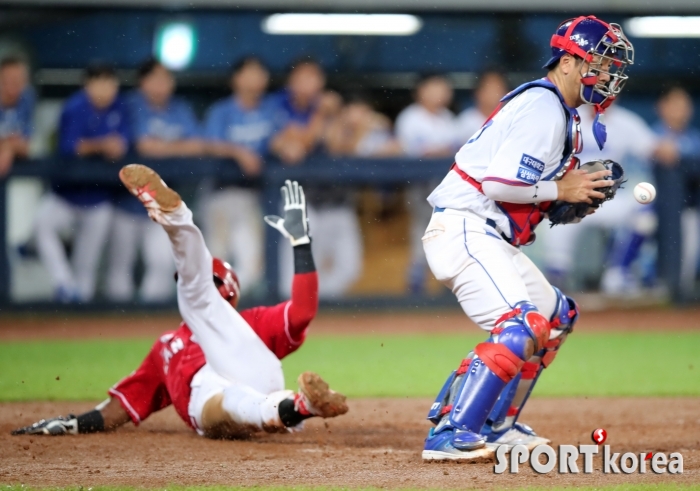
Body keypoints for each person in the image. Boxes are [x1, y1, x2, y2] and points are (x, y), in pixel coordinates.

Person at [420, 16, 633, 461]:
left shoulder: (558, 109)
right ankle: (451, 432)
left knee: (557, 316)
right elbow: (498, 184)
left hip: (486, 233)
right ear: (570, 62)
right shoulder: (545, 107)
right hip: (464, 227)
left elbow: (522, 191)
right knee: (521, 326)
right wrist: (561, 189)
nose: (609, 75)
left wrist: (560, 200)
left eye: (611, 67)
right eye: (601, 63)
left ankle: (497, 425)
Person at [12, 166, 348, 438]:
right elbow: (123, 406)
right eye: (204, 283)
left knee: (224, 383)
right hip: (251, 394)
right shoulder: (166, 347)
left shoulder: (248, 322)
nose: (206, 288)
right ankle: (301, 407)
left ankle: (177, 220)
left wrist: (301, 243)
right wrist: (72, 423)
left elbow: (302, 311)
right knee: (235, 400)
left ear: (229, 290)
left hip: (239, 372)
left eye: (214, 283)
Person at [541, 102, 677, 295]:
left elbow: (655, 149)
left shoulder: (625, 121)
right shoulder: (567, 118)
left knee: (644, 215)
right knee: (554, 217)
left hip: (609, 198)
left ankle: (618, 273)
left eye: (608, 87)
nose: (604, 92)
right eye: (598, 86)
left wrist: (667, 148)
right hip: (572, 196)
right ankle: (556, 277)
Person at [106, 59, 201, 302]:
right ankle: (118, 325)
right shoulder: (130, 105)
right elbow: (144, 146)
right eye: (155, 78)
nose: (161, 84)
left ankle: (145, 327)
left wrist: (163, 147)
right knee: (119, 268)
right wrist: (175, 147)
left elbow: (196, 146)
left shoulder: (180, 108)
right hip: (125, 201)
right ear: (142, 82)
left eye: (166, 78)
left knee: (160, 263)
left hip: (162, 203)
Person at [35, 63, 129, 302]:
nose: (105, 88)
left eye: (110, 82)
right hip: (66, 195)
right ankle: (63, 283)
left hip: (98, 199)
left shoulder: (120, 107)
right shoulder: (74, 107)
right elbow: (69, 147)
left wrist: (101, 146)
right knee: (42, 226)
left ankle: (77, 313)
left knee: (86, 268)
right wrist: (101, 145)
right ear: (87, 84)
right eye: (99, 82)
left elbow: (123, 145)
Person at [271, 59, 361, 299]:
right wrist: (322, 114)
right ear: (291, 81)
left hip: (334, 200)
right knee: (296, 268)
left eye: (314, 78)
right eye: (303, 77)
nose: (310, 84)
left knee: (348, 268)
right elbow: (296, 149)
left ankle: (314, 308)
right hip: (298, 200)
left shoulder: (330, 110)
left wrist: (340, 118)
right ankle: (289, 312)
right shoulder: (279, 106)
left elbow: (341, 148)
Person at [203, 56, 277, 295]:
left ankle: (224, 313)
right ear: (236, 78)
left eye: (259, 73)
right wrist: (239, 152)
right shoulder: (222, 111)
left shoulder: (270, 111)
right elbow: (209, 144)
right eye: (249, 72)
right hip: (220, 194)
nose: (255, 79)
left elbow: (281, 140)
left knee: (252, 268)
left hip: (252, 196)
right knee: (215, 264)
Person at [395, 73, 462, 294]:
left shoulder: (449, 119)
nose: (438, 92)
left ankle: (444, 291)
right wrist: (442, 150)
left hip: (446, 189)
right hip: (419, 186)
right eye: (432, 87)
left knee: (447, 237)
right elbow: (417, 152)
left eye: (442, 87)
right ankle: (416, 289)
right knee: (422, 234)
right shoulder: (410, 117)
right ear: (420, 91)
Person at [652, 85, 700, 299]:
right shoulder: (651, 135)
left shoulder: (695, 137)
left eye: (685, 105)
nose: (681, 110)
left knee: (689, 224)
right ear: (662, 107)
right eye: (675, 104)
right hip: (648, 203)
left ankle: (679, 289)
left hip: (685, 207)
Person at [0, 56, 34, 176]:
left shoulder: (27, 98)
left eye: (17, 81)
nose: (12, 87)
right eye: (6, 81)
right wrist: (9, 146)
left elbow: (26, 147)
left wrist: (8, 147)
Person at [457, 68, 509, 142]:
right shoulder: (465, 121)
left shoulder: (511, 119)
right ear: (478, 92)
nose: (494, 94)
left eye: (498, 89)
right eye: (489, 89)